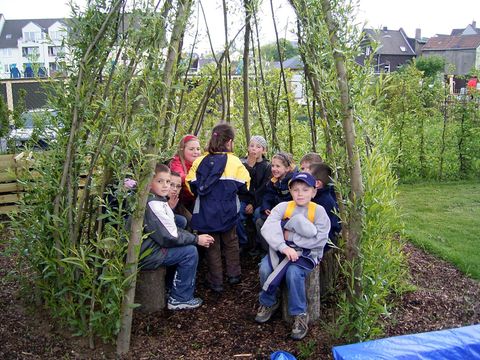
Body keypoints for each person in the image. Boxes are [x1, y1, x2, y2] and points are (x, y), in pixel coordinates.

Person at [255, 172, 330, 340]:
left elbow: (320, 239)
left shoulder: (318, 211)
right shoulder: (283, 207)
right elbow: (268, 228)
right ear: (290, 191)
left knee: (293, 273)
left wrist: (291, 237)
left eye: (305, 189)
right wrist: (283, 246)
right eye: (296, 190)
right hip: (282, 251)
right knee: (265, 267)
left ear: (314, 192)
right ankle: (269, 302)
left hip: (307, 254)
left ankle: (300, 314)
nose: (300, 193)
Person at [186, 123, 251, 293]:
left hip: (206, 212)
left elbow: (190, 184)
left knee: (212, 246)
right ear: (229, 141)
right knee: (231, 242)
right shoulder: (235, 161)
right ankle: (234, 275)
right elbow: (245, 185)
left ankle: (216, 282)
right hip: (228, 210)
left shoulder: (199, 161)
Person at [139, 164, 214, 310]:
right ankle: (180, 298)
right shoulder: (153, 203)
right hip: (148, 253)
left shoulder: (156, 198)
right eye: (160, 181)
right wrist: (196, 239)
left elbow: (171, 227)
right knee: (190, 252)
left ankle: (172, 284)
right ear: (149, 182)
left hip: (152, 244)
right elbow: (170, 236)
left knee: (180, 221)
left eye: (168, 182)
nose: (166, 186)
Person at [237, 135, 271, 250]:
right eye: (251, 146)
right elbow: (241, 184)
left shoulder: (267, 166)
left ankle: (259, 245)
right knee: (236, 213)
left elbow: (263, 189)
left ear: (264, 150)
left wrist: (253, 203)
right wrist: (249, 166)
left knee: (257, 215)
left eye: (258, 147)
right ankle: (243, 242)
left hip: (258, 201)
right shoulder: (241, 163)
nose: (254, 149)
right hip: (243, 198)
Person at [256, 151, 296, 251]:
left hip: (288, 215)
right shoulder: (274, 180)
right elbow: (268, 195)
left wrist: (276, 211)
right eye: (273, 166)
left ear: (287, 168)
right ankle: (268, 250)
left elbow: (290, 201)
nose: (274, 169)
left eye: (278, 166)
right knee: (259, 219)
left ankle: (282, 248)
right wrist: (266, 207)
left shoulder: (292, 181)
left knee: (262, 222)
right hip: (276, 211)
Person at [309, 162, 341, 250]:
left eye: (308, 177)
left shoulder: (324, 202)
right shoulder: (314, 197)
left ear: (317, 184)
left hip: (320, 246)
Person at [169, 135, 202, 211]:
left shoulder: (200, 163)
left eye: (198, 149)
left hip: (193, 200)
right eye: (191, 149)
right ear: (182, 150)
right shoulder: (176, 162)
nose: (196, 152)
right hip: (178, 202)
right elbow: (180, 177)